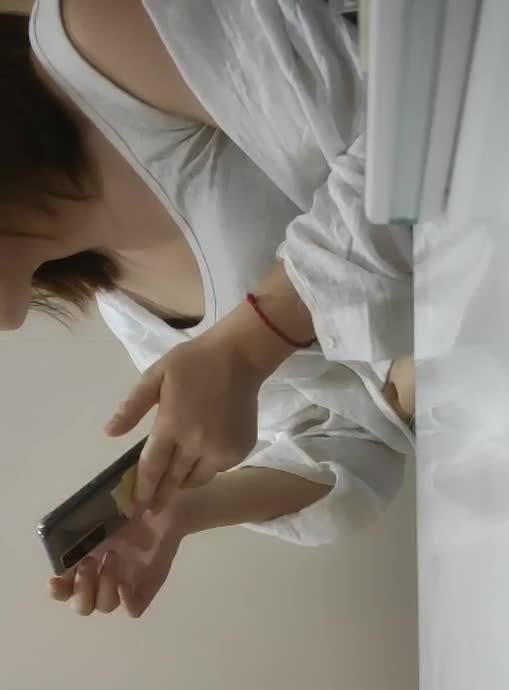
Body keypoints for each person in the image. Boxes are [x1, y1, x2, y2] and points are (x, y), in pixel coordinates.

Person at [2, 0, 415, 617]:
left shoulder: (93, 39)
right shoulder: (125, 307)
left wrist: (250, 343)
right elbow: (357, 440)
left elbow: (407, 131)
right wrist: (186, 510)